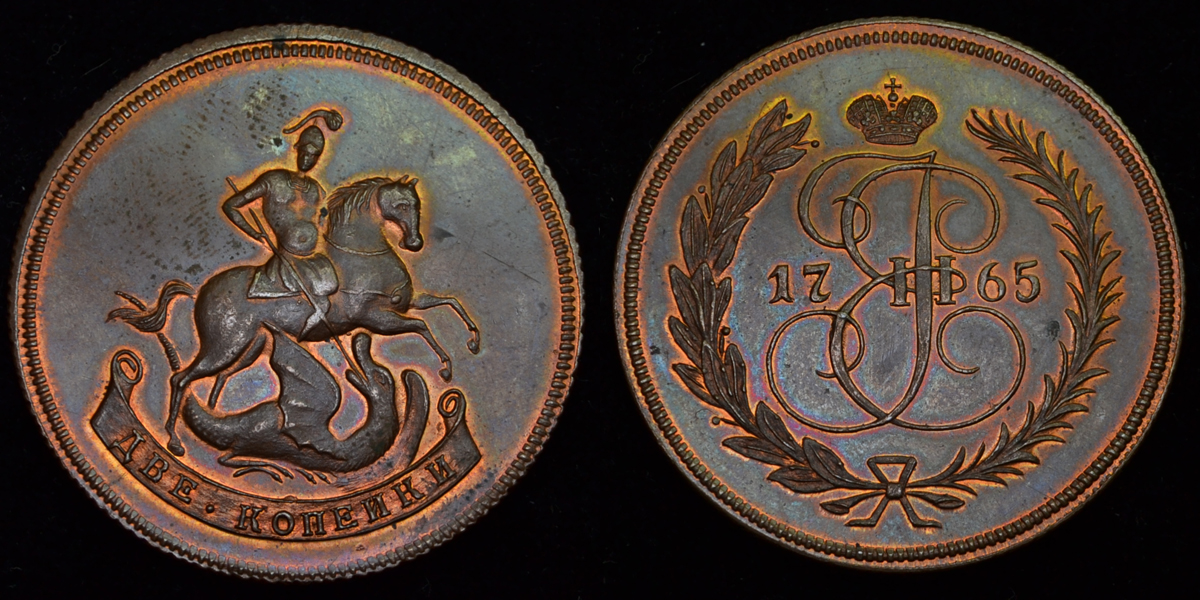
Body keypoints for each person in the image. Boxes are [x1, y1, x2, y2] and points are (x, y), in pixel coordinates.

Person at [222, 108, 343, 338]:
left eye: (314, 155)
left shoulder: (317, 190)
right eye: (305, 152)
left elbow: (320, 223)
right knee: (320, 300)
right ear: (297, 148)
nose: (307, 159)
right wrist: (254, 233)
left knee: (335, 287)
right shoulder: (273, 179)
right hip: (287, 256)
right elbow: (231, 205)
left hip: (312, 257)